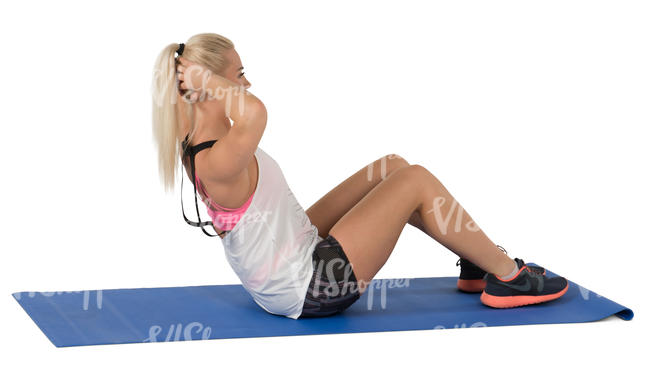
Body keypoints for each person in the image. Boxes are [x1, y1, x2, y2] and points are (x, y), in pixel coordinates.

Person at [151, 33, 568, 320]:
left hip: (289, 260)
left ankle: (476, 261)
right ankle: (508, 277)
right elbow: (257, 111)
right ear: (209, 85)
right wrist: (208, 81)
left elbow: (246, 111)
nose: (248, 83)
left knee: (390, 167)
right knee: (417, 180)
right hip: (310, 289)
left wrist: (211, 84)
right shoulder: (218, 158)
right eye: (239, 74)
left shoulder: (202, 137)